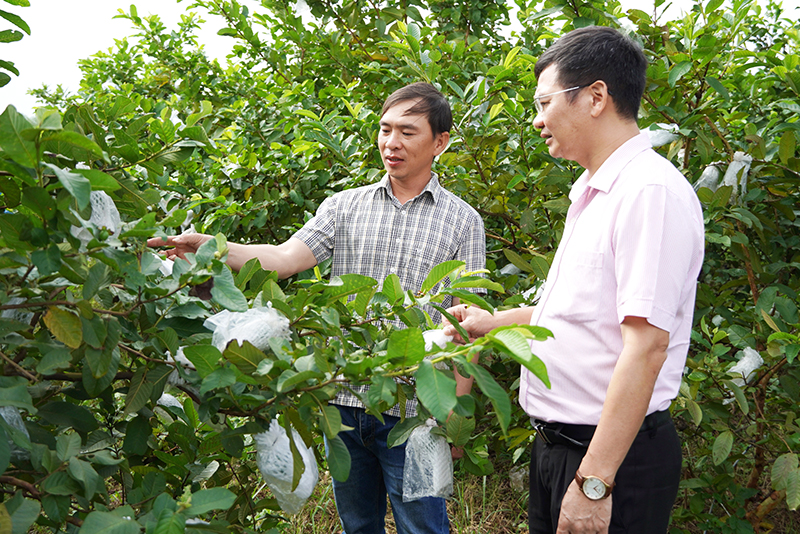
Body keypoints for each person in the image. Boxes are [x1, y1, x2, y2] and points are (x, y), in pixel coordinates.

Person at [149, 82, 486, 534]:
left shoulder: (463, 222)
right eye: (385, 129)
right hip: (342, 401)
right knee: (358, 522)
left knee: (422, 526)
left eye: (407, 132)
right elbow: (286, 258)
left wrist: (455, 417)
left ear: (439, 142)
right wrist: (213, 247)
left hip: (416, 409)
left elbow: (468, 322)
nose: (391, 143)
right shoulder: (344, 206)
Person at [444, 26, 704, 534]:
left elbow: (647, 345)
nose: (538, 120)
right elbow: (580, 317)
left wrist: (595, 484)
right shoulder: (592, 192)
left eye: (544, 103)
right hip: (561, 449)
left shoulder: (648, 193)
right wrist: (493, 322)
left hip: (608, 459)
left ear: (596, 97)